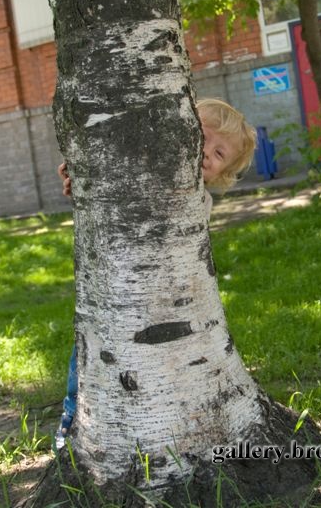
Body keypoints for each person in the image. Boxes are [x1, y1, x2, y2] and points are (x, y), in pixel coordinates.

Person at [55, 98, 256, 448]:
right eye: (202, 138)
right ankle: (72, 421)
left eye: (219, 154)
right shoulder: (141, 168)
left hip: (167, 309)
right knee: (89, 363)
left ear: (222, 174)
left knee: (164, 373)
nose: (206, 153)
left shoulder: (199, 201)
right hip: (111, 297)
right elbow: (111, 199)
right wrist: (83, 182)